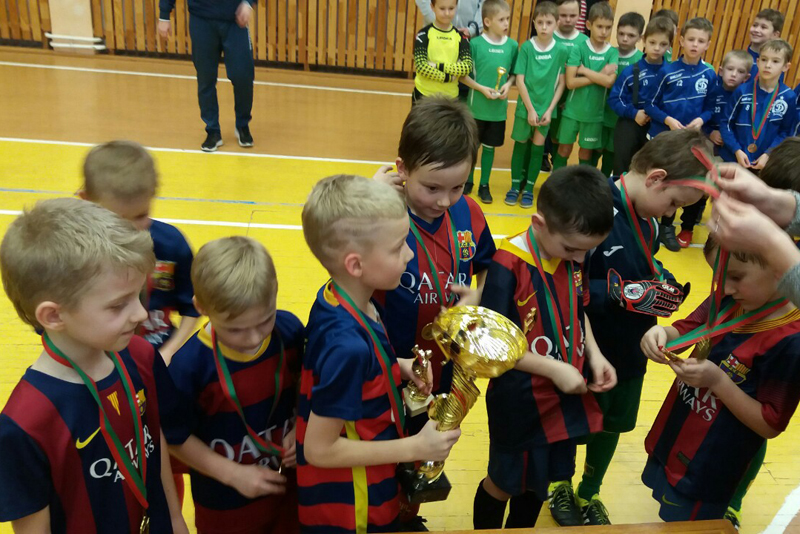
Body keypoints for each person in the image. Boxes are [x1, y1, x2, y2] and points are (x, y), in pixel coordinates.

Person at [0, 198, 187, 533]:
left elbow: (152, 438)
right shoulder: (26, 423)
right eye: (118, 305)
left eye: (138, 296)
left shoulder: (140, 355)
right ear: (53, 315)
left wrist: (174, 520)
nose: (141, 314)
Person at [297, 174, 461, 533]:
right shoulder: (347, 346)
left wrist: (398, 367)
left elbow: (352, 372)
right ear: (356, 265)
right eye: (398, 246)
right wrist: (415, 446)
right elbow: (319, 449)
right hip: (353, 508)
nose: (410, 254)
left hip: (370, 484)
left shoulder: (345, 299)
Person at [472, 165, 617, 530]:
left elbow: (578, 310)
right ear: (539, 224)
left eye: (588, 250)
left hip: (562, 401)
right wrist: (554, 368)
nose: (580, 259)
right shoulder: (507, 265)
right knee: (503, 484)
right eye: (572, 249)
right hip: (520, 402)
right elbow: (492, 344)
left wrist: (594, 354)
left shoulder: (571, 255)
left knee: (539, 486)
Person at [578, 128, 708, 525]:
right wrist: (616, 292)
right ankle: (559, 485)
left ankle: (588, 492)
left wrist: (662, 282)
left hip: (631, 346)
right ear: (655, 178)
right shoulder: (592, 206)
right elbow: (561, 281)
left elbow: (642, 263)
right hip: (587, 346)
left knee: (612, 424)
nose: (672, 214)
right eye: (674, 203)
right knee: (574, 422)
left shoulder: (648, 220)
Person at [640, 235, 800, 522]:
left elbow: (769, 424)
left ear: (781, 269)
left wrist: (717, 382)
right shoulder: (729, 297)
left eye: (736, 277)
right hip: (676, 434)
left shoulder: (791, 342)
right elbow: (686, 329)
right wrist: (661, 334)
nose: (724, 287)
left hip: (711, 465)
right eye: (718, 277)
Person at [167, 237, 303, 533]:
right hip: (225, 506)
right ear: (201, 307)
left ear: (275, 292)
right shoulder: (188, 368)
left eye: (264, 321)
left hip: (290, 493)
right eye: (235, 329)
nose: (253, 338)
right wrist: (232, 474)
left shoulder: (289, 331)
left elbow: (306, 386)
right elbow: (174, 437)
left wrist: (301, 424)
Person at [80, 141, 200, 364]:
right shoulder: (72, 255)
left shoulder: (172, 245)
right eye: (117, 219)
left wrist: (169, 352)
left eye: (140, 215)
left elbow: (192, 309)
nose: (131, 229)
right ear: (86, 200)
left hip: (158, 355)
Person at [645, 17, 717, 252]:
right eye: (691, 39)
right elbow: (650, 104)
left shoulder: (709, 74)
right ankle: (655, 225)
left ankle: (671, 227)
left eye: (701, 41)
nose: (695, 44)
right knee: (663, 181)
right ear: (682, 41)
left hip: (691, 141)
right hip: (665, 138)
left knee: (682, 182)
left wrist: (701, 120)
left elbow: (711, 107)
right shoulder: (666, 71)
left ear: (708, 44)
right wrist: (667, 120)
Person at [158, 0, 255, 152]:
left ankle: (242, 125)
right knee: (205, 78)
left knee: (243, 76)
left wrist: (248, 3)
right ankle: (212, 130)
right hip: (201, 20)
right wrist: (164, 15)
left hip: (235, 22)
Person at [710, 164, 800, 307]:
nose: (725, 290)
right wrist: (774, 203)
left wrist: (771, 244)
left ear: (776, 271)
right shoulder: (727, 301)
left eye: (736, 277)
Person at [505, 1, 567, 208]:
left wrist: (549, 110)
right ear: (534, 23)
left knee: (538, 149)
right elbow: (520, 80)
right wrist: (530, 109)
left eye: (549, 23)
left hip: (546, 110)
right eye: (540, 22)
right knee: (520, 145)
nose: (544, 27)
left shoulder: (560, 50)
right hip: (526, 108)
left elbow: (562, 83)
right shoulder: (526, 47)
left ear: (556, 24)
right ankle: (515, 187)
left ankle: (529, 190)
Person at [461, 0, 518, 204]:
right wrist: (481, 89)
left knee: (490, 147)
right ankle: (468, 180)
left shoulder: (512, 46)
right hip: (476, 109)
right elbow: (463, 76)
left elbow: (514, 74)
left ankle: (484, 184)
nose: (506, 23)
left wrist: (507, 85)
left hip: (498, 110)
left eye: (507, 19)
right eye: (501, 19)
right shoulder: (475, 45)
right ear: (487, 21)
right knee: (472, 147)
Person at [553, 2, 618, 171]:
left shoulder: (612, 52)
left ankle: (583, 184)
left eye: (608, 27)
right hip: (572, 112)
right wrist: (600, 74)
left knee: (585, 153)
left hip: (594, 115)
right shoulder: (579, 48)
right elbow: (571, 82)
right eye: (599, 26)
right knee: (564, 149)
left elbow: (609, 82)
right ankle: (556, 180)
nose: (604, 32)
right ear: (589, 25)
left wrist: (584, 71)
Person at [608, 16, 674, 175]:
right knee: (622, 168)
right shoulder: (630, 71)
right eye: (652, 42)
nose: (657, 48)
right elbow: (614, 99)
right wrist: (634, 113)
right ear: (644, 40)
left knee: (649, 171)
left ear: (670, 45)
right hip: (631, 123)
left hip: (658, 127)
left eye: (663, 44)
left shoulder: (672, 74)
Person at [721, 39, 796, 170]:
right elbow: (725, 123)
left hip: (765, 164)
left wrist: (768, 154)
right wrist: (736, 150)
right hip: (733, 159)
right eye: (764, 59)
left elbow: (785, 133)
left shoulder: (788, 97)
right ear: (758, 61)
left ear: (786, 67)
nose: (768, 65)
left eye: (775, 61)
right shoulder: (742, 91)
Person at [599, 12, 644, 177]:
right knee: (594, 149)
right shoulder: (607, 53)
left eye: (631, 35)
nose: (625, 39)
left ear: (640, 37)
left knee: (612, 153)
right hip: (600, 112)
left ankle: (605, 183)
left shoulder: (641, 60)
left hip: (622, 118)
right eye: (621, 34)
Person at [413, 0, 473, 102]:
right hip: (424, 95)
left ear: (456, 7)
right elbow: (421, 67)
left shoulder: (461, 37)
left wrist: (437, 66)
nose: (447, 13)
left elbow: (467, 67)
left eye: (451, 8)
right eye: (442, 8)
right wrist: (447, 78)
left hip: (450, 98)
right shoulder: (423, 34)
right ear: (432, 7)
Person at [706, 51, 753, 163]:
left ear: (746, 77)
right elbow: (702, 116)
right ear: (721, 71)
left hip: (735, 145)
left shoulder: (747, 98)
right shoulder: (712, 92)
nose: (734, 74)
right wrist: (710, 132)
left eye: (740, 71)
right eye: (730, 69)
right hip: (710, 140)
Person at [746, 9, 784, 80]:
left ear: (775, 34)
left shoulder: (775, 66)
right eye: (755, 25)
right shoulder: (738, 57)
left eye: (763, 27)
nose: (756, 30)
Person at [415, 0, 484, 38]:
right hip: (435, 34)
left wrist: (473, 29)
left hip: (468, 37)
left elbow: (485, 3)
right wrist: (439, 24)